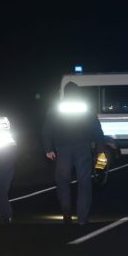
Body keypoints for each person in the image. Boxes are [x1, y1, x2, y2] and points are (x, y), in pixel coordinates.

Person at [42, 82, 104, 225]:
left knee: (62, 180)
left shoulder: (57, 107)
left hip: (62, 148)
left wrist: (48, 149)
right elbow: (96, 127)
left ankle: (66, 211)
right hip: (82, 147)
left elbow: (47, 128)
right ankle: (82, 218)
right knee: (84, 181)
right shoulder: (85, 106)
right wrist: (100, 148)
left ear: (65, 92)